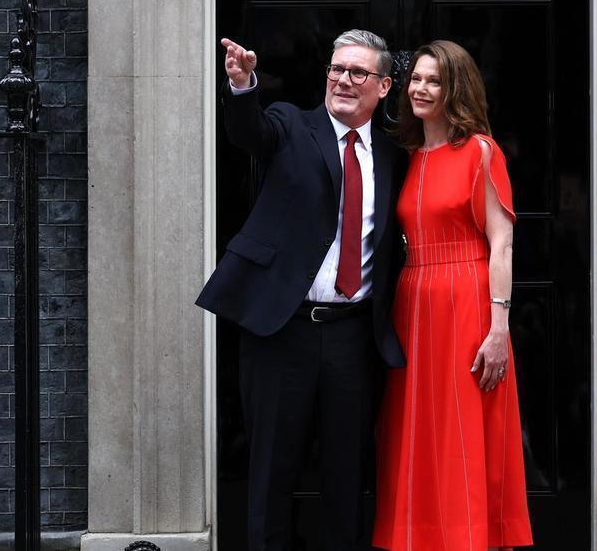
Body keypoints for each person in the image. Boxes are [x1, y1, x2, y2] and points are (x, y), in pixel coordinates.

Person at [196, 30, 407, 551]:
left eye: (358, 73)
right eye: (337, 69)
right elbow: (250, 133)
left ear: (383, 87)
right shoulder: (291, 124)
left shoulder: (396, 154)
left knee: (347, 472)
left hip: (355, 337)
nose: (343, 80)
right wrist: (242, 84)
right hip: (281, 330)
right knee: (271, 469)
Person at [372, 40, 533, 550]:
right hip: (413, 302)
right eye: (415, 79)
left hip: (466, 299)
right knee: (417, 433)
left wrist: (499, 328)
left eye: (433, 81)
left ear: (455, 88)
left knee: (461, 432)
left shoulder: (480, 151)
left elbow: (502, 243)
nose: (420, 88)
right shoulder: (409, 155)